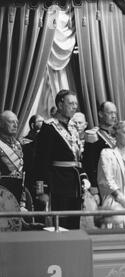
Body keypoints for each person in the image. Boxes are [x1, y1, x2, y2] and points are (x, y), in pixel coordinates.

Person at [33, 90, 86, 229]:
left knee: (74, 226)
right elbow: (41, 161)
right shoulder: (49, 127)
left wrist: (84, 176)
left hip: (75, 186)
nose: (74, 107)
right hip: (57, 185)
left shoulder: (73, 128)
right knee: (60, 227)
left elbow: (78, 158)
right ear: (60, 105)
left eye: (76, 104)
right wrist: (41, 191)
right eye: (70, 103)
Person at [83, 101, 117, 200]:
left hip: (116, 185)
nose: (114, 116)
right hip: (101, 186)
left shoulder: (116, 136)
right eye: (110, 113)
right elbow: (89, 164)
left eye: (115, 113)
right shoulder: (93, 135)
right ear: (101, 114)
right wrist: (94, 188)